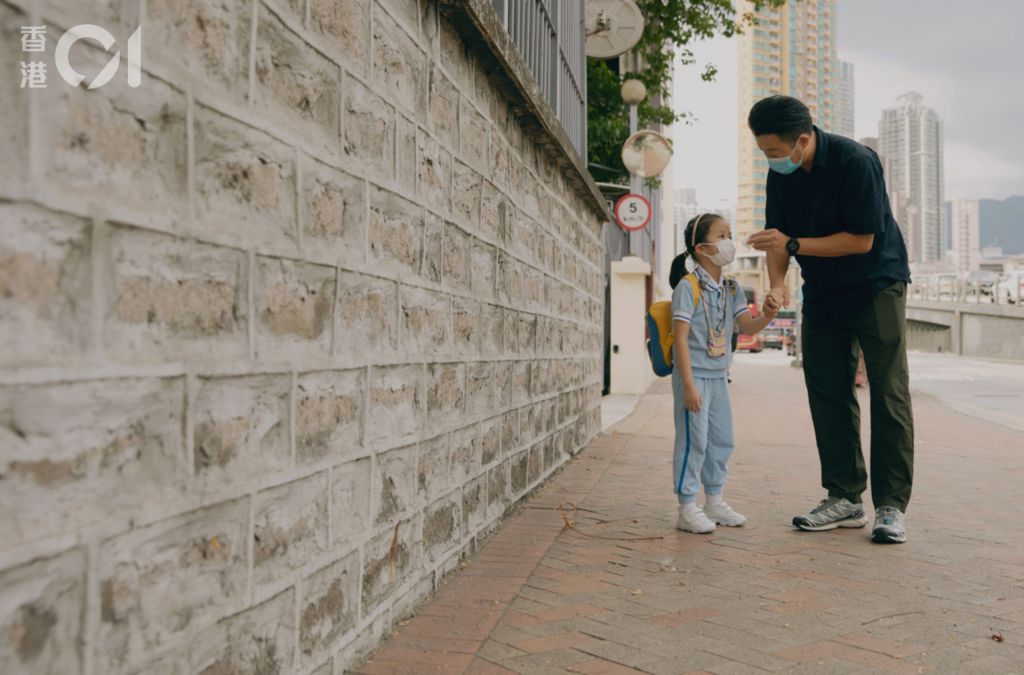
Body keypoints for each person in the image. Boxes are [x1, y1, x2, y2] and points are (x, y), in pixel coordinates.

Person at [746, 95, 914, 544]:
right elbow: (775, 242)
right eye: (764, 152)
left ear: (803, 139)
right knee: (827, 391)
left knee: (888, 391)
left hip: (876, 283)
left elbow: (860, 240)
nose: (770, 160)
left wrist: (794, 245)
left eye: (774, 152)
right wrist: (778, 285)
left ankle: (892, 507)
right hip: (822, 292)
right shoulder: (779, 176)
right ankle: (844, 497)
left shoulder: (856, 161)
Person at [669, 213, 778, 534]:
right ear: (701, 248)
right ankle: (687, 506)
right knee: (694, 441)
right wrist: (688, 385)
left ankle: (714, 500)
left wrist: (768, 315)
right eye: (721, 235)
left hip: (719, 376)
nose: (729, 241)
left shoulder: (731, 289)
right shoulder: (688, 288)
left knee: (721, 440)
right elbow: (679, 339)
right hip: (695, 378)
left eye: (729, 234)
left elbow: (747, 327)